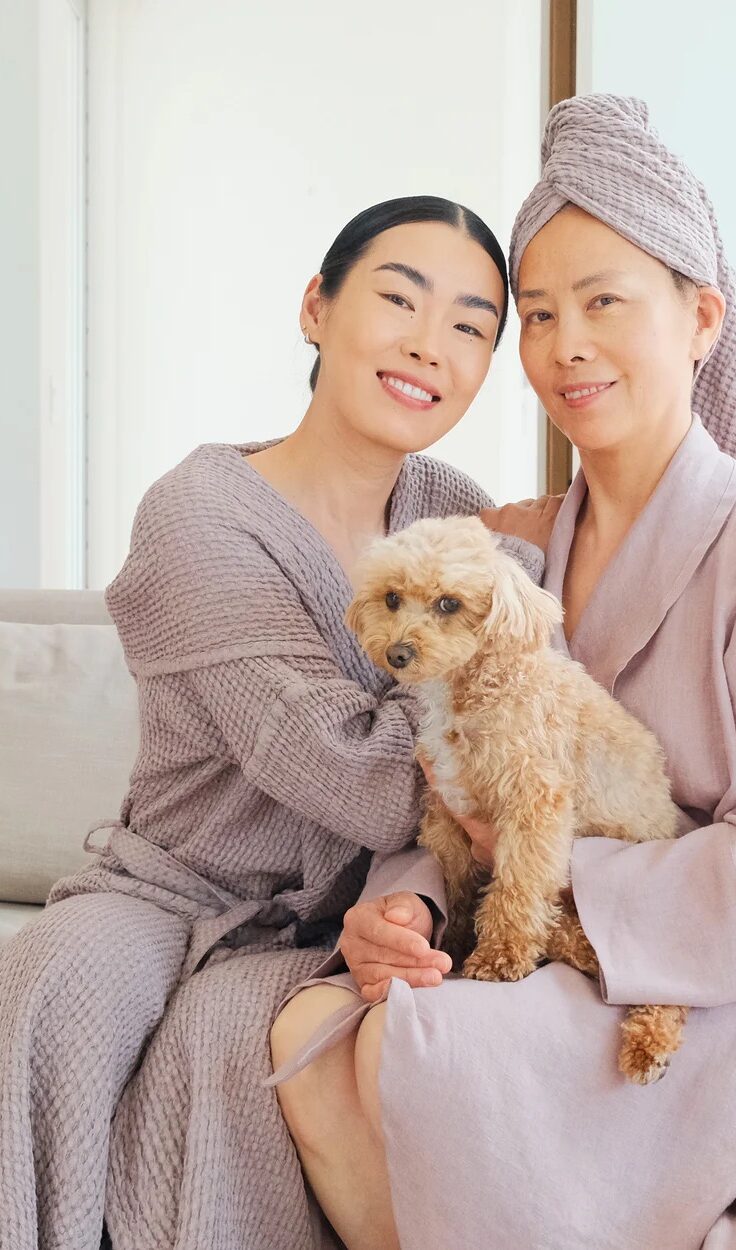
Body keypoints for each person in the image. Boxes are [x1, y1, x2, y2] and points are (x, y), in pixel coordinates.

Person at [270, 96, 736, 1250]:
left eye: (603, 302)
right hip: (579, 935)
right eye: (536, 314)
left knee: (418, 1043)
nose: (563, 342)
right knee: (307, 1031)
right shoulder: (520, 549)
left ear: (701, 318)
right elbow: (464, 765)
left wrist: (579, 882)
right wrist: (414, 900)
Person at [0, 195, 551, 1250]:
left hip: (360, 917)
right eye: (397, 298)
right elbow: (360, 774)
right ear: (317, 307)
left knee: (242, 1044)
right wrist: (509, 568)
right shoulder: (198, 514)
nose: (427, 344)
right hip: (168, 892)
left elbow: (512, 731)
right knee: (51, 987)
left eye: (472, 326)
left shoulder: (451, 505)